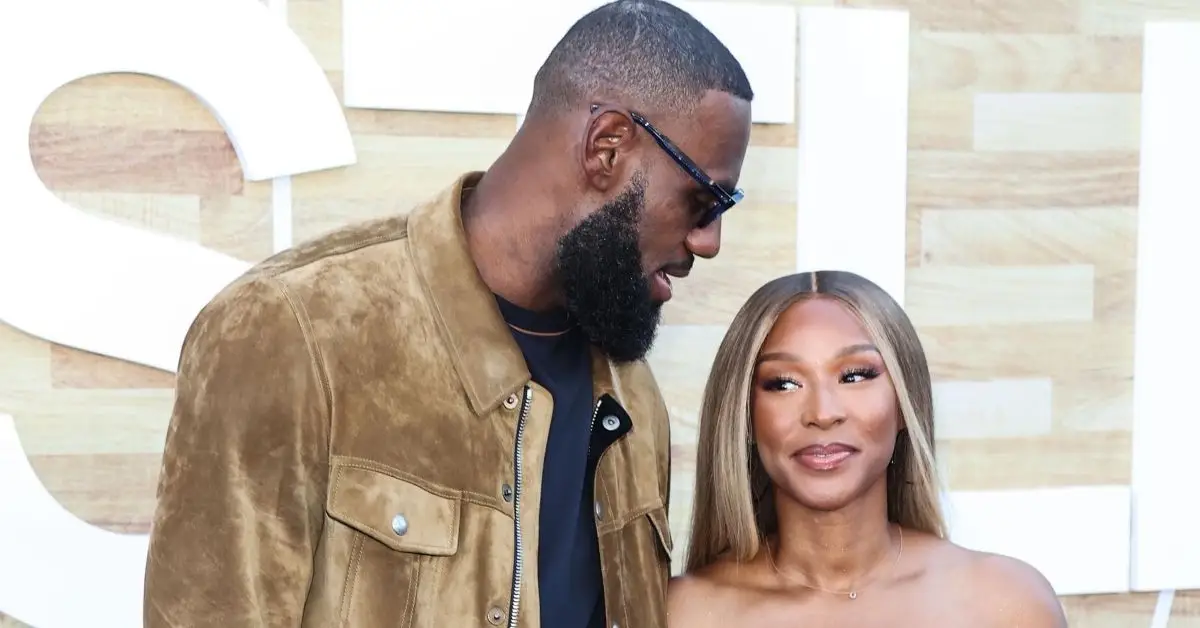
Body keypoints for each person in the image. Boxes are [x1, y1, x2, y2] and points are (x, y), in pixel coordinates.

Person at [141, 1, 752, 627]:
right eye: (702, 201)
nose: (709, 242)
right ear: (607, 147)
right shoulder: (293, 331)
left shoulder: (630, 396)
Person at [667, 271, 1068, 627]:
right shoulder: (682, 613)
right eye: (784, 383)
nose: (823, 413)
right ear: (743, 415)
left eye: (855, 376)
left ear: (904, 405)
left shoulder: (1007, 604)